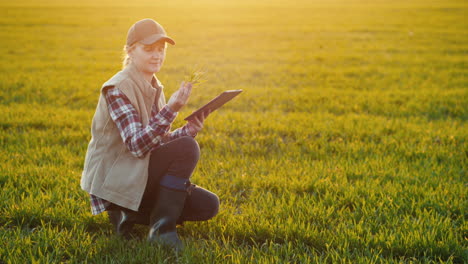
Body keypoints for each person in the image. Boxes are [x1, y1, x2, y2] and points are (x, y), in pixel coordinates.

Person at [80, 18, 219, 250]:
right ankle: (160, 232)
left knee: (208, 205)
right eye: (149, 49)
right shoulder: (117, 88)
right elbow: (136, 145)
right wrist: (171, 110)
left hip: (138, 171)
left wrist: (188, 130)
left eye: (160, 50)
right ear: (130, 51)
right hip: (116, 180)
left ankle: (129, 214)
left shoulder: (155, 85)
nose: (157, 56)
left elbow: (157, 141)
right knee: (187, 148)